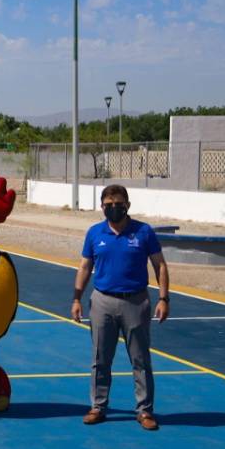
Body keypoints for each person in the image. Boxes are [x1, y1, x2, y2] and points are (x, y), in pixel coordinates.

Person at [72, 184, 169, 431]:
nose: (114, 208)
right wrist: (76, 298)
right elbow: (85, 267)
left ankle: (145, 410)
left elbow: (159, 265)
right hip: (102, 301)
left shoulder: (144, 232)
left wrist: (163, 298)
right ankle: (98, 406)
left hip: (136, 302)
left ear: (127, 205)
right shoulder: (95, 233)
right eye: (108, 205)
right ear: (101, 207)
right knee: (100, 358)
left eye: (118, 204)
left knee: (140, 359)